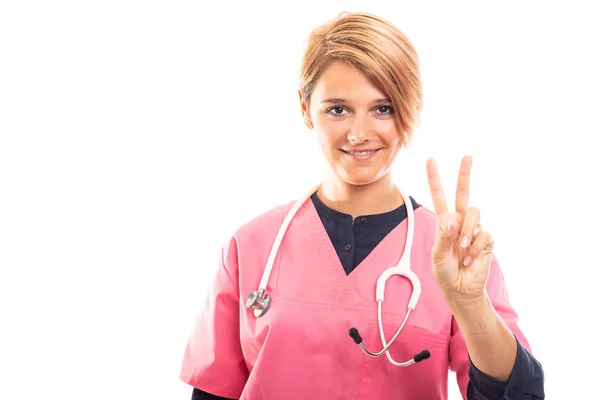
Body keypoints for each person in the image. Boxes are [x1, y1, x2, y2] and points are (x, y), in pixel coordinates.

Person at [180, 11, 545, 400]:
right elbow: (214, 391)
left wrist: (471, 305)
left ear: (409, 111)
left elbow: (518, 393)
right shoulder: (251, 246)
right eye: (338, 109)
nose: (359, 133)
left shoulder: (450, 251)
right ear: (306, 109)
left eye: (383, 108)